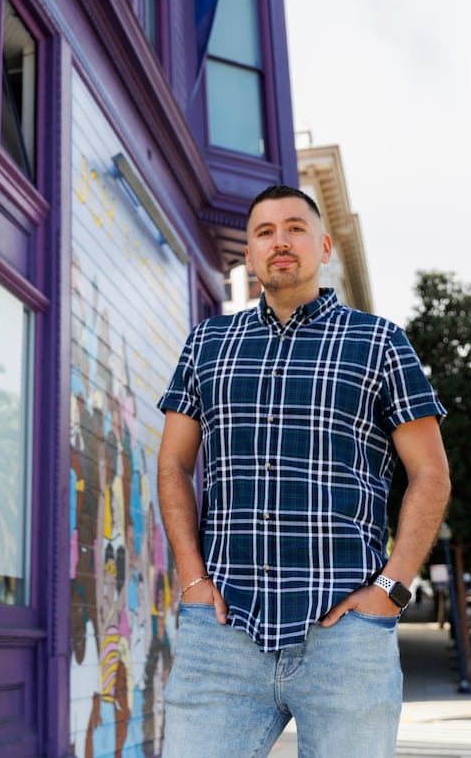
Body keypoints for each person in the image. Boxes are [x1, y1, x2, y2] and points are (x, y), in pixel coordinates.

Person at [156, 184, 451, 758]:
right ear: (249, 253)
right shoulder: (207, 344)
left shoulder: (380, 343)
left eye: (294, 228)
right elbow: (172, 464)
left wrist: (390, 590)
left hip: (345, 638)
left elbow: (432, 474)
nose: (279, 241)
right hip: (222, 632)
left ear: (324, 246)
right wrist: (193, 581)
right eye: (264, 232)